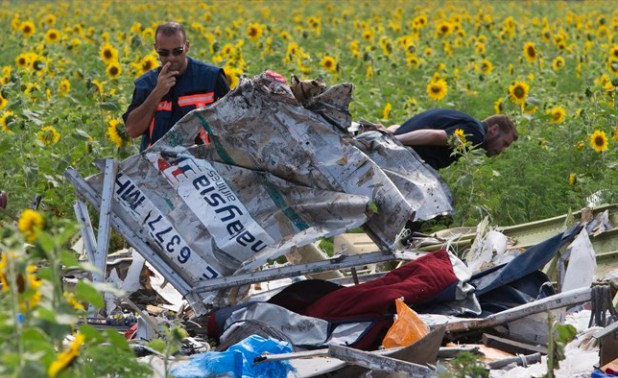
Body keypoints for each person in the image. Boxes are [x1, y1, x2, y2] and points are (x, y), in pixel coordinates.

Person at [123, 22, 230, 151]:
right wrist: (157, 92)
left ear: (187, 46)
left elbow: (234, 124)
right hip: (157, 165)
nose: (171, 58)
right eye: (164, 53)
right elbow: (132, 130)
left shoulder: (211, 78)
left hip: (205, 162)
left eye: (177, 51)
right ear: (156, 48)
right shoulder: (146, 84)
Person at [389, 108, 518, 170]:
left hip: (401, 156)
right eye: (505, 143)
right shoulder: (476, 133)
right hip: (404, 161)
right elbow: (437, 136)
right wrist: (394, 139)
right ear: (494, 129)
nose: (502, 150)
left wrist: (391, 131)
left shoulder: (467, 122)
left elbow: (407, 127)